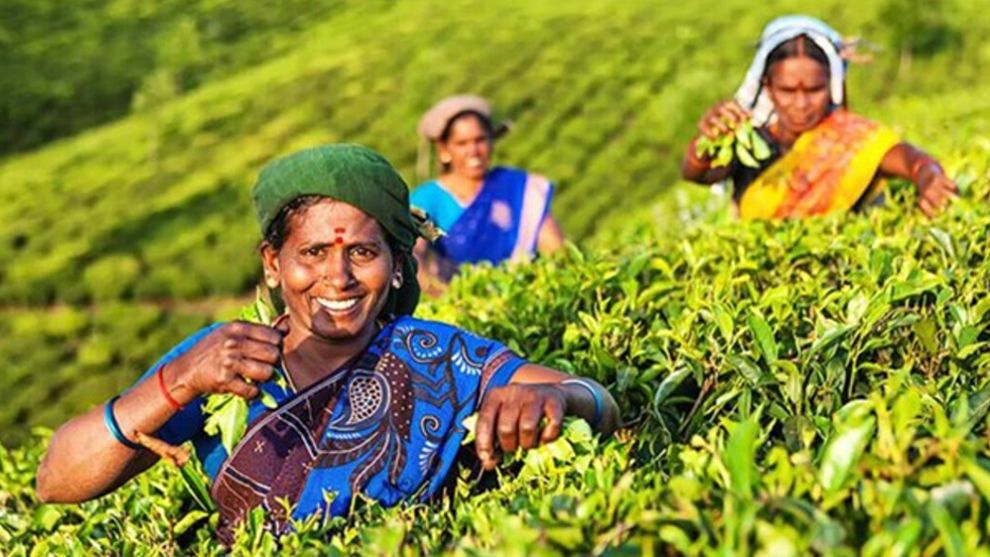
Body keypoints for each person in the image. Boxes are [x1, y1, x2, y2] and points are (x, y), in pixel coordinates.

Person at [36, 144, 619, 543]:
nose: (336, 278)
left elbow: (599, 399)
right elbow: (57, 480)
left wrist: (557, 399)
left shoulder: (434, 354)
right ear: (273, 264)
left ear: (396, 265)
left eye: (362, 253)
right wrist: (176, 384)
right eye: (312, 253)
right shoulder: (223, 364)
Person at [681, 15, 957, 219]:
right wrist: (707, 142)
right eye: (788, 90)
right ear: (768, 87)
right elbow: (698, 174)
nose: (801, 104)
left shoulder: (849, 138)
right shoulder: (754, 140)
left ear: (832, 85)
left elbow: (910, 159)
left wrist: (928, 177)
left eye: (814, 90)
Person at [411, 95, 564, 292]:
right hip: (461, 302)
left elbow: (556, 250)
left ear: (492, 141)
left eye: (480, 140)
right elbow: (413, 255)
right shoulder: (427, 199)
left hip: (524, 295)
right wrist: (445, 298)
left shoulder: (516, 188)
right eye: (462, 143)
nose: (473, 151)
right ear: (444, 149)